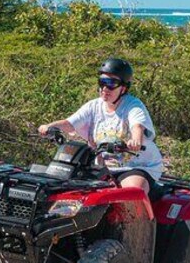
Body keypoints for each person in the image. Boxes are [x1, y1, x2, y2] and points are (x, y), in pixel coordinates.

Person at [37, 58, 164, 194]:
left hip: (134, 167)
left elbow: (137, 125)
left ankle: (141, 216)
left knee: (133, 191)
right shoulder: (94, 106)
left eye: (111, 84)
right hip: (101, 168)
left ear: (124, 88)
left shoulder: (133, 105)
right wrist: (50, 126)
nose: (105, 88)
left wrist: (136, 140)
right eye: (102, 82)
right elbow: (70, 123)